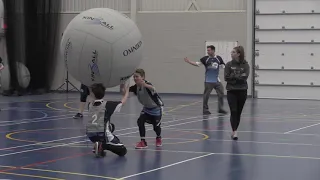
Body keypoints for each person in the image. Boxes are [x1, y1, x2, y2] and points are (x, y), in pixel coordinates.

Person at [120, 69, 164, 149]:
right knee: (140, 121)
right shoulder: (135, 87)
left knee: (156, 127)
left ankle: (158, 137)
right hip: (146, 109)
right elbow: (125, 93)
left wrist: (145, 85)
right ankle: (143, 142)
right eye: (134, 77)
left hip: (156, 108)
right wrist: (122, 85)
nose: (135, 78)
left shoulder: (147, 85)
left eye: (137, 77)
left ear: (143, 77)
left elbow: (153, 88)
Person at [85, 83, 129, 157]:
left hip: (90, 134)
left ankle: (98, 145)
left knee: (111, 126)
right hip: (102, 134)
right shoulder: (107, 105)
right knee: (123, 151)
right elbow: (123, 102)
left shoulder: (89, 105)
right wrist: (127, 92)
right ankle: (102, 145)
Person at [184, 45, 227, 115]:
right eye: (207, 50)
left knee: (221, 93)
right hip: (208, 81)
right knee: (206, 95)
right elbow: (197, 64)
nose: (208, 51)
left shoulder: (219, 58)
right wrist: (189, 61)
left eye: (209, 50)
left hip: (217, 80)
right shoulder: (205, 59)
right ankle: (205, 109)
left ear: (213, 50)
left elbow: (224, 66)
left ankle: (220, 109)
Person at [224, 46, 250, 140]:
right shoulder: (228, 65)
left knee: (238, 112)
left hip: (242, 91)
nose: (231, 53)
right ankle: (234, 131)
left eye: (233, 52)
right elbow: (226, 78)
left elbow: (244, 78)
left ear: (239, 54)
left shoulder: (245, 65)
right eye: (231, 52)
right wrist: (237, 77)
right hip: (231, 91)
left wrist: (233, 76)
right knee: (233, 111)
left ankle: (235, 129)